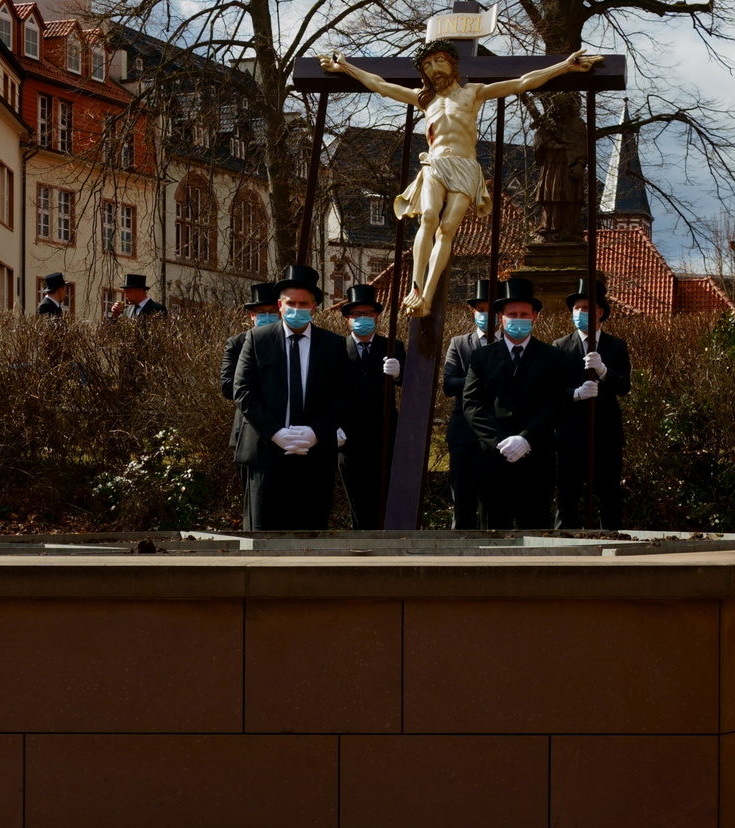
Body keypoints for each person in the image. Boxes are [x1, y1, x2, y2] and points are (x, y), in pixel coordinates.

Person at [318, 41, 602, 316]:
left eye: (439, 61)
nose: (433, 68)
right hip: (435, 164)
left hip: (465, 166)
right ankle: (416, 289)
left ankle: (427, 295)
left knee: (447, 229)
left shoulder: (473, 93)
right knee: (428, 218)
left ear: (452, 65)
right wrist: (346, 68)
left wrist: (565, 66)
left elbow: (522, 82)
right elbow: (380, 86)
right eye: (427, 64)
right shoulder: (424, 99)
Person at [232, 265, 354, 532]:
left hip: (315, 457)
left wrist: (316, 432)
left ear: (314, 308)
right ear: (279, 305)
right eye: (291, 303)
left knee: (310, 535)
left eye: (304, 304)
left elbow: (343, 396)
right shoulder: (257, 339)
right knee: (263, 536)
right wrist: (274, 432)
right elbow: (242, 390)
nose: (297, 309)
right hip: (266, 455)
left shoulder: (334, 345)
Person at [461, 277, 572, 531]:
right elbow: (472, 404)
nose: (518, 318)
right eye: (512, 314)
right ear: (500, 317)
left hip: (536, 462)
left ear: (535, 317)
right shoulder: (482, 357)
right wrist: (499, 440)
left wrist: (525, 438)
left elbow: (555, 404)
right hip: (492, 462)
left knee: (536, 535)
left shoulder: (553, 357)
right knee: (492, 537)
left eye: (524, 313)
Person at [554, 276, 632, 532]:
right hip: (571, 436)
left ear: (599, 312)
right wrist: (575, 394)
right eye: (577, 308)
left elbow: (624, 387)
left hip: (606, 435)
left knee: (609, 498)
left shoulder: (616, 346)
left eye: (586, 308)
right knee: (567, 499)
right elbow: (553, 392)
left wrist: (603, 370)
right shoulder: (560, 347)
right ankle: (563, 550)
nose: (581, 313)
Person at [334, 283, 405, 531]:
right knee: (357, 498)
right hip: (348, 438)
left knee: (383, 493)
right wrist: (334, 427)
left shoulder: (393, 347)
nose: (362, 319)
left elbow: (411, 383)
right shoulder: (337, 349)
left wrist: (398, 374)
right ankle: (361, 543)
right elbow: (327, 391)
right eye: (356, 315)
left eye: (367, 314)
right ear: (347, 319)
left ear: (376, 316)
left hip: (383, 433)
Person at [222, 282, 280, 527]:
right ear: (252, 315)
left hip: (286, 432)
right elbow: (228, 386)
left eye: (271, 312)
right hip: (250, 434)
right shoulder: (237, 343)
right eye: (261, 312)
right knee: (255, 508)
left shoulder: (287, 342)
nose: (266, 317)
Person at [442, 279, 491, 531]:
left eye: (491, 309)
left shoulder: (508, 343)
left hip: (496, 430)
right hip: (463, 432)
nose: (486, 314)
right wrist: (478, 381)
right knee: (462, 500)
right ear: (473, 311)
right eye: (481, 310)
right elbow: (449, 383)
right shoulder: (459, 343)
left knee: (491, 501)